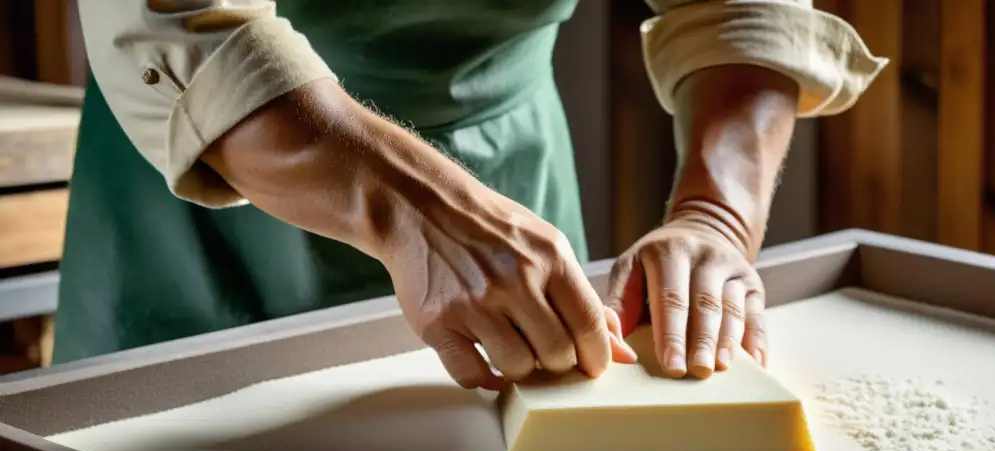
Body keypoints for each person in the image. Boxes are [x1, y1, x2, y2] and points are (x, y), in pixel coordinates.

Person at [61, 1, 884, 389]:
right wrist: (419, 212)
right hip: (217, 182)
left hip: (507, 164)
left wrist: (716, 216)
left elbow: (741, 10)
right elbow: (189, 34)